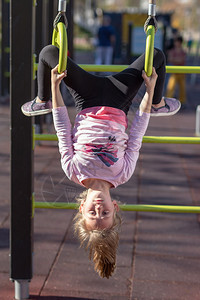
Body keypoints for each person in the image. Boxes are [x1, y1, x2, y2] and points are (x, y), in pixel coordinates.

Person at [21, 45, 181, 278]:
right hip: (120, 97)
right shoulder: (122, 173)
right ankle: (158, 104)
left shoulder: (73, 171)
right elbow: (136, 135)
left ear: (81, 208)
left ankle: (41, 99)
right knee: (155, 56)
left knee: (48, 54)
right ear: (114, 207)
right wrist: (150, 92)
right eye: (104, 213)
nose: (98, 210)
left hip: (86, 98)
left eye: (92, 214)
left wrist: (54, 90)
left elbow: (63, 129)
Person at [166, 36, 187, 104]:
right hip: (174, 72)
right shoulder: (173, 51)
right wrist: (177, 60)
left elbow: (182, 59)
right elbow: (170, 59)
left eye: (177, 42)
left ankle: (182, 101)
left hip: (181, 72)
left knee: (182, 88)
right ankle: (168, 100)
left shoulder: (183, 51)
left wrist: (175, 60)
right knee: (171, 87)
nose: (176, 43)